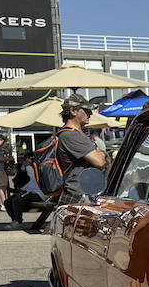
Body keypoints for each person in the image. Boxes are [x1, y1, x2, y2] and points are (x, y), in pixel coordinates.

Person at [26, 95, 108, 233]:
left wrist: (101, 156)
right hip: (78, 196)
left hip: (81, 194)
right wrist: (102, 155)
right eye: (86, 110)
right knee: (81, 241)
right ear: (73, 111)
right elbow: (100, 162)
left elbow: (103, 159)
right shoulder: (70, 136)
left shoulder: (77, 134)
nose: (90, 113)